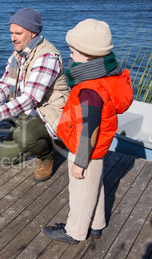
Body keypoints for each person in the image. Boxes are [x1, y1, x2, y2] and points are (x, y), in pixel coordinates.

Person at [42, 19, 133, 243]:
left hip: (86, 150)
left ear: (88, 55)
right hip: (98, 149)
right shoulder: (107, 76)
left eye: (73, 51)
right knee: (95, 185)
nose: (70, 55)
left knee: (81, 192)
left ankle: (75, 231)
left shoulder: (90, 90)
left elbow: (88, 130)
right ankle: (96, 225)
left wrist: (80, 162)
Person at [0, 7, 69, 181]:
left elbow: (29, 98)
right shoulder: (18, 54)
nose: (13, 38)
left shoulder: (47, 57)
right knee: (6, 157)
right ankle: (44, 140)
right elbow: (5, 82)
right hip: (30, 113)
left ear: (33, 32)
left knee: (23, 136)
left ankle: (47, 156)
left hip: (52, 113)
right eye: (11, 33)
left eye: (18, 33)